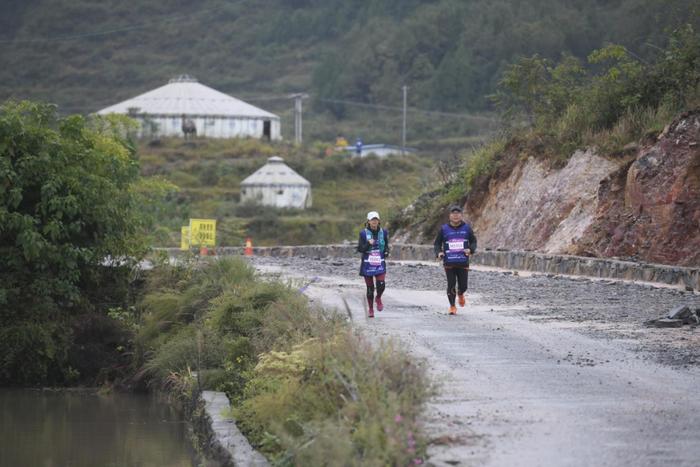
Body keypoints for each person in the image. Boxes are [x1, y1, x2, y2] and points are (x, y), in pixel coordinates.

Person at [434, 205, 477, 315]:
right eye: (453, 214)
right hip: (449, 262)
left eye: (458, 214)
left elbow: (473, 242)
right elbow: (437, 243)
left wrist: (470, 250)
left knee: (464, 286)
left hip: (463, 262)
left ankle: (461, 293)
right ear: (449, 216)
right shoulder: (444, 229)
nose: (456, 216)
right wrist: (439, 252)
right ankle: (452, 306)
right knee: (451, 284)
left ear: (461, 216)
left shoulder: (467, 228)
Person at [357, 211, 390, 318]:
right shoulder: (363, 233)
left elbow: (386, 246)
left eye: (376, 219)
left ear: (379, 221)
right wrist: (368, 243)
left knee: (381, 284)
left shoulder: (383, 232)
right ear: (368, 221)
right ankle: (371, 309)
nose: (374, 221)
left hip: (379, 262)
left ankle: (378, 298)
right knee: (370, 288)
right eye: (372, 220)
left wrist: (386, 252)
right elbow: (360, 249)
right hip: (367, 263)